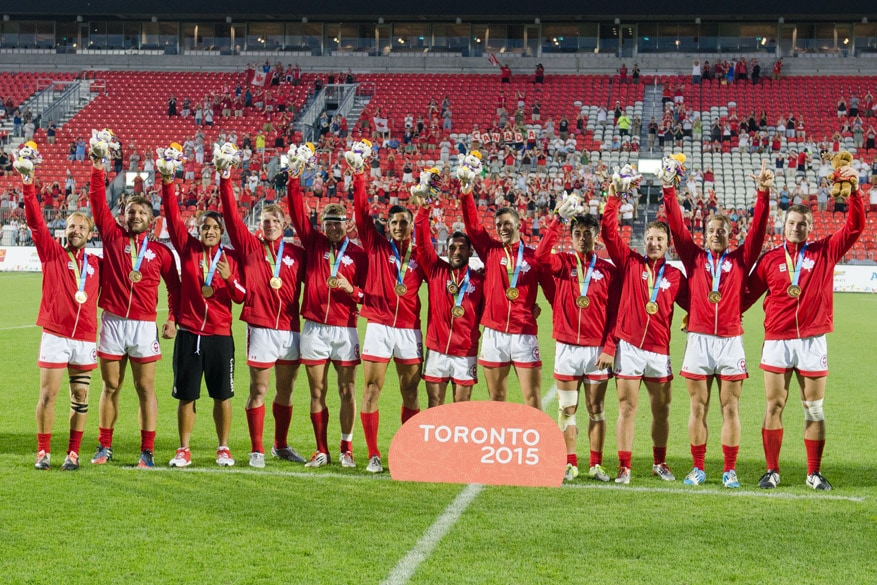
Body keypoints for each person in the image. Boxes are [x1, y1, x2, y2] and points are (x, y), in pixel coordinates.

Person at [743, 165, 864, 491]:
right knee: (774, 405)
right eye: (792, 224)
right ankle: (772, 471)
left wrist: (854, 192)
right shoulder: (769, 260)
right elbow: (745, 297)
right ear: (784, 227)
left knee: (813, 407)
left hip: (812, 341)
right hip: (778, 341)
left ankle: (813, 473)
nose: (797, 228)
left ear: (811, 227)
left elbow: (855, 227)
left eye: (803, 224)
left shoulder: (825, 251)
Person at [663, 160, 771, 488]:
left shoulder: (740, 259)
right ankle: (698, 468)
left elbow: (758, 232)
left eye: (722, 231)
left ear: (729, 234)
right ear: (705, 234)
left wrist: (763, 194)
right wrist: (669, 190)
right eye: (711, 231)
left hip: (729, 340)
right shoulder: (693, 258)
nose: (716, 235)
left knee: (730, 407)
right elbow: (677, 227)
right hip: (698, 339)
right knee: (698, 407)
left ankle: (729, 469)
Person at [88, 145, 180, 469]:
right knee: (110, 385)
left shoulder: (161, 252)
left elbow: (176, 287)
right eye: (131, 212)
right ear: (123, 215)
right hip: (112, 321)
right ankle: (104, 446)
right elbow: (98, 202)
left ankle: (147, 451)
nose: (136, 216)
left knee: (145, 388)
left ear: (152, 221)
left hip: (143, 325)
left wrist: (172, 318)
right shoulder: (112, 237)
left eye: (142, 213)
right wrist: (98, 168)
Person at [217, 147, 307, 469]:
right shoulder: (250, 246)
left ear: (284, 224)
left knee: (286, 391)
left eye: (274, 220)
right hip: (260, 327)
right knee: (259, 390)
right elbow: (230, 215)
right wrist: (225, 180)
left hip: (290, 328)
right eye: (265, 221)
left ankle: (280, 445)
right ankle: (257, 449)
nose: (268, 225)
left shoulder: (296, 254)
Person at [602, 183, 688, 484]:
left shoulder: (676, 276)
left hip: (659, 350)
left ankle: (659, 462)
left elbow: (695, 303)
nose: (653, 243)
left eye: (659, 239)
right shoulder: (630, 263)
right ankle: (624, 467)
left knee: (661, 410)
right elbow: (608, 232)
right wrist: (613, 198)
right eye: (649, 238)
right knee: (627, 408)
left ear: (668, 244)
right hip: (629, 347)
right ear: (643, 240)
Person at [18, 156, 101, 471]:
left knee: (80, 397)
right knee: (48, 395)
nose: (75, 230)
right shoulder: (52, 253)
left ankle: (73, 453)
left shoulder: (96, 264)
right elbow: (35, 221)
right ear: (64, 230)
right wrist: (28, 185)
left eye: (81, 227)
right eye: (71, 226)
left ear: (89, 233)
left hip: (84, 338)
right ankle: (43, 452)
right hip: (55, 334)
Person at [160, 169, 245, 468]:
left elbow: (242, 296)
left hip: (221, 336)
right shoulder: (188, 249)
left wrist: (229, 278)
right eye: (204, 227)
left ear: (221, 232)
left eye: (214, 228)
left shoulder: (232, 258)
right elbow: (171, 217)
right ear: (197, 230)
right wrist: (168, 183)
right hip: (189, 334)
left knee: (223, 396)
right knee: (187, 395)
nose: (209, 231)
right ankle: (184, 449)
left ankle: (223, 447)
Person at [286, 155, 367, 470]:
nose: (333, 227)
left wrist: (351, 290)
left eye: (338, 222)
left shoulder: (359, 255)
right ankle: (322, 449)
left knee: (347, 390)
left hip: (345, 329)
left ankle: (346, 447)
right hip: (314, 328)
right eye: (328, 223)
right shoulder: (314, 243)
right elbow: (294, 207)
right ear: (323, 226)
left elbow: (369, 295)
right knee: (316, 390)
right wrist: (295, 176)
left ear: (347, 224)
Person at [350, 147, 426, 474]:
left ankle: (409, 451)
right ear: (388, 226)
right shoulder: (377, 246)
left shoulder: (422, 255)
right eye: (393, 222)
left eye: (403, 221)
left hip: (409, 328)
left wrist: (423, 207)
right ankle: (373, 454)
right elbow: (361, 213)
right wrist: (359, 176)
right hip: (379, 326)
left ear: (411, 224)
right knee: (371, 389)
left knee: (410, 391)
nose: (397, 226)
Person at [458, 158, 553, 411]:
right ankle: (500, 447)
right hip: (494, 333)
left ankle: (537, 448)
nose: (502, 229)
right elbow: (472, 225)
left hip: (524, 333)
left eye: (507, 224)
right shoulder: (489, 250)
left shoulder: (535, 257)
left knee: (532, 400)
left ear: (518, 225)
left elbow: (553, 292)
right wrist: (466, 192)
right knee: (496, 399)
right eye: (498, 225)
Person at [535, 213, 620, 483]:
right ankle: (570, 463)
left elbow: (617, 313)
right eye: (577, 233)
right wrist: (556, 220)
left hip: (596, 352)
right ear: (570, 238)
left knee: (596, 409)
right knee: (567, 409)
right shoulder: (562, 263)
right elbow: (539, 257)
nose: (582, 238)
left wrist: (609, 347)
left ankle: (596, 465)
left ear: (597, 237)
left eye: (587, 233)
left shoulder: (609, 271)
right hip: (567, 349)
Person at [411, 193, 485, 406]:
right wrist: (424, 210)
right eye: (453, 247)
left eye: (462, 248)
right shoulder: (436, 270)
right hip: (437, 349)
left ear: (470, 251)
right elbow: (423, 242)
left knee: (460, 408)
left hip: (465, 350)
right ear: (447, 249)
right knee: (434, 405)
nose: (456, 252)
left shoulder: (479, 280)